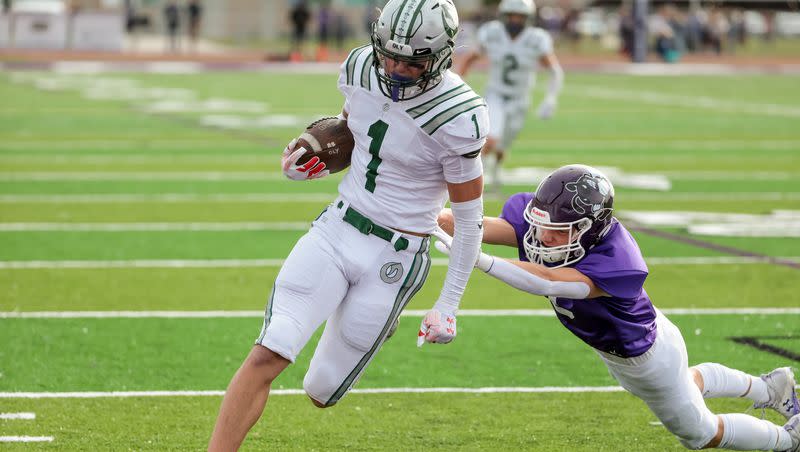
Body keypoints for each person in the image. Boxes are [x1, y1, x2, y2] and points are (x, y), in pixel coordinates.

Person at [208, 0, 488, 450]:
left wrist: (448, 303)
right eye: (388, 56)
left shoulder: (458, 115)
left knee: (321, 392)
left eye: (410, 62)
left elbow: (470, 222)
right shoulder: (360, 65)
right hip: (337, 229)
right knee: (269, 352)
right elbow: (354, 128)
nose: (394, 69)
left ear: (440, 55)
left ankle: (384, 313)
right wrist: (314, 161)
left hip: (396, 255)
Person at [434, 164, 800, 451]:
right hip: (640, 343)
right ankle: (769, 387)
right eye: (542, 225)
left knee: (700, 433)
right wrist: (434, 219)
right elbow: (480, 226)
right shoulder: (548, 224)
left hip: (646, 360)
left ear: (590, 230)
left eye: (560, 232)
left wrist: (476, 259)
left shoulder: (618, 260)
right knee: (684, 384)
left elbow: (549, 281)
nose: (544, 237)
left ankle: (788, 440)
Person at [457, 0, 563, 196]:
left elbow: (554, 70)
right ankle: (476, 179)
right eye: (512, 15)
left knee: (502, 145)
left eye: (520, 17)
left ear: (528, 19)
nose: (515, 20)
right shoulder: (492, 33)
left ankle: (495, 170)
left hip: (520, 99)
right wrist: (458, 86)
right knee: (490, 139)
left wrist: (551, 98)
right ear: (504, 16)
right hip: (495, 94)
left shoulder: (536, 38)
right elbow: (469, 59)